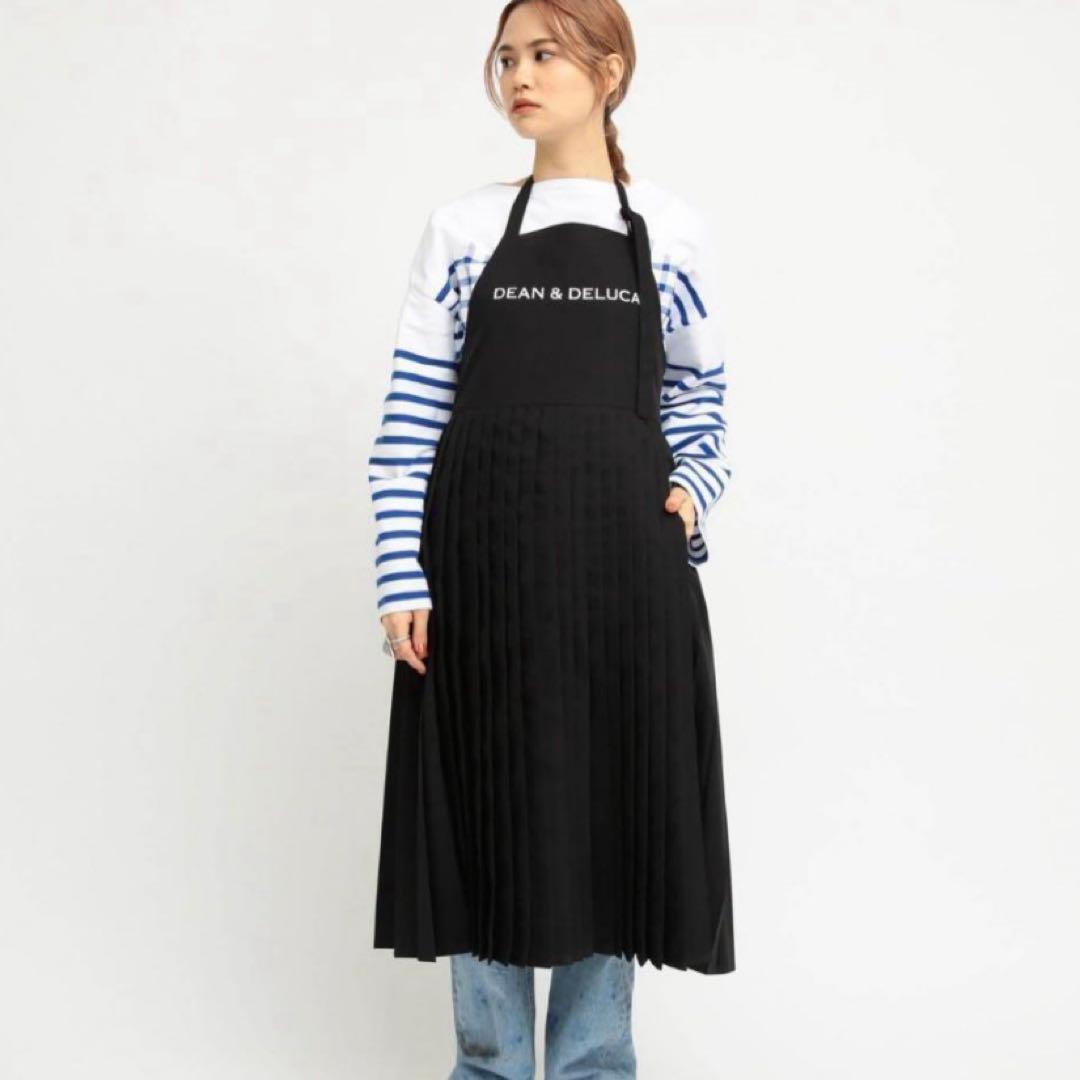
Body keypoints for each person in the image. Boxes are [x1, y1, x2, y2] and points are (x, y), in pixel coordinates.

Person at [368, 0, 736, 1074]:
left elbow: (703, 394)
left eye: (546, 55)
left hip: (624, 576)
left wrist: (692, 487)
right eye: (507, 58)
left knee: (609, 818)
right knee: (480, 814)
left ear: (609, 71)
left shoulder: (669, 229)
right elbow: (411, 418)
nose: (520, 76)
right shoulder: (462, 228)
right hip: (479, 569)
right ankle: (490, 1066)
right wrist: (401, 574)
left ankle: (592, 1064)